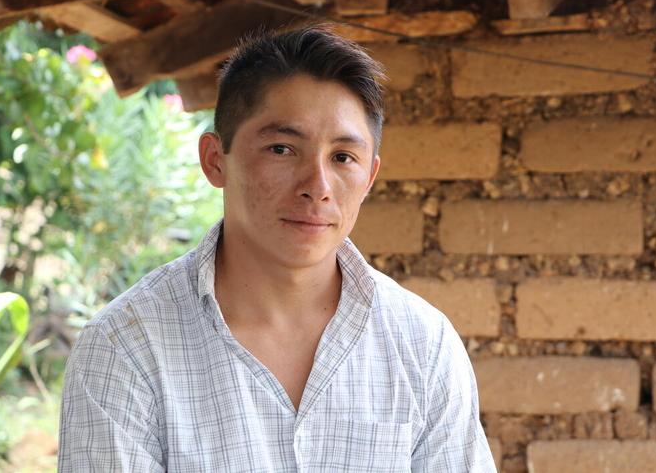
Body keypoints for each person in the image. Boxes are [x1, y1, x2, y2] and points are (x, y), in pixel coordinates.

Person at [58, 26, 496, 472]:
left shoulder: (422, 345)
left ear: (369, 178)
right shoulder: (126, 348)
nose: (318, 188)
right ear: (215, 159)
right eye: (282, 148)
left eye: (343, 157)